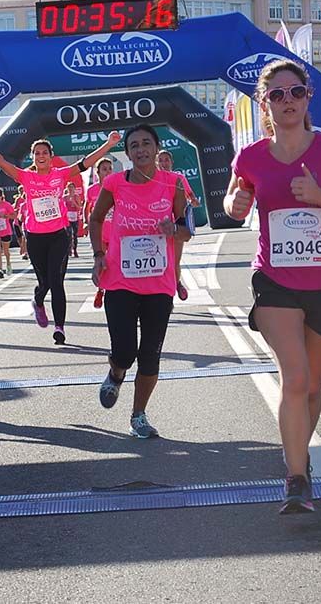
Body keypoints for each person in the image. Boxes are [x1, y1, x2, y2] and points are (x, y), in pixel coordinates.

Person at [223, 60, 321, 514]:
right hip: (275, 280)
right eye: (277, 95)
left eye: (296, 92)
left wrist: (320, 196)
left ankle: (296, 457)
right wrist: (236, 201)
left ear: (308, 98)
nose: (288, 101)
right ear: (265, 105)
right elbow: (231, 200)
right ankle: (297, 477)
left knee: (313, 386)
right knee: (296, 376)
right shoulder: (250, 156)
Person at [0, 128, 121, 345]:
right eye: (37, 153)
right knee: (44, 282)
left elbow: (86, 163)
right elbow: (3, 164)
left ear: (51, 157)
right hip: (35, 237)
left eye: (44, 152)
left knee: (56, 281)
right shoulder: (26, 176)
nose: (41, 156)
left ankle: (60, 328)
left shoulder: (60, 175)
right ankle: (38, 299)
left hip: (58, 236)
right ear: (33, 158)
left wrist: (109, 144)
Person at [91, 124, 190, 439]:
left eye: (147, 143)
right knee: (124, 350)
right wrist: (98, 254)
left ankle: (138, 416)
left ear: (156, 148)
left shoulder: (173, 183)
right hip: (120, 279)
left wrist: (173, 230)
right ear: (128, 152)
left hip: (159, 284)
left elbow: (187, 228)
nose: (141, 150)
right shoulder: (115, 183)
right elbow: (95, 218)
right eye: (134, 145)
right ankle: (116, 372)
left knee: (150, 354)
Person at [157, 149, 201, 301]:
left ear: (171, 162)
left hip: (177, 225)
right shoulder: (152, 179)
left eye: (166, 160)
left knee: (174, 260)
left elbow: (191, 196)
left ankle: (177, 283)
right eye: (161, 160)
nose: (164, 163)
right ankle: (165, 294)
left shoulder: (179, 178)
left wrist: (193, 202)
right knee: (161, 262)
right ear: (156, 162)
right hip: (158, 227)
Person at [86, 157, 114, 309]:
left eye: (110, 168)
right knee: (102, 263)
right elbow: (87, 207)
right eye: (104, 169)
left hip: (116, 232)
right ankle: (100, 290)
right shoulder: (92, 190)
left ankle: (117, 289)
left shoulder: (117, 187)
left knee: (116, 264)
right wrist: (86, 222)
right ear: (98, 173)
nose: (108, 171)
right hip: (101, 233)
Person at [64, 183, 82, 258]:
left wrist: (74, 203)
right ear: (67, 188)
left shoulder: (76, 197)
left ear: (74, 188)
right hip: (67, 218)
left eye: (72, 187)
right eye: (69, 187)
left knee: (75, 234)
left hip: (74, 217)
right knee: (68, 234)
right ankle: (68, 250)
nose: (71, 189)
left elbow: (79, 208)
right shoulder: (64, 197)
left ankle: (75, 250)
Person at [13, 187, 28, 260]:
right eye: (20, 191)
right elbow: (14, 209)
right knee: (20, 238)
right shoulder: (19, 200)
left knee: (24, 237)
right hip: (18, 221)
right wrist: (18, 210)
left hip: (27, 224)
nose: (22, 192)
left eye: (23, 190)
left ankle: (25, 252)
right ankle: (23, 248)